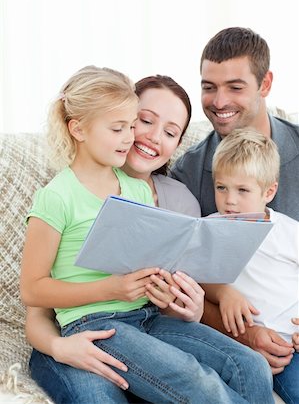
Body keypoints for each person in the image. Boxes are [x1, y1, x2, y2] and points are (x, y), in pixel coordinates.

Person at [20, 68, 274, 404]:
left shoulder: (138, 190)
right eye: (122, 127)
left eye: (130, 127)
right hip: (95, 322)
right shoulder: (57, 196)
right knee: (195, 380)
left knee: (251, 365)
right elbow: (32, 290)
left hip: (147, 317)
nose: (131, 138)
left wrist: (167, 288)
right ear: (78, 128)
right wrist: (111, 288)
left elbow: (148, 267)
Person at [170, 26, 299, 374]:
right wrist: (245, 334)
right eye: (209, 87)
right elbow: (178, 279)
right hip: (250, 340)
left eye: (235, 87)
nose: (220, 101)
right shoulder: (189, 172)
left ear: (266, 84)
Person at [202, 128, 298, 404]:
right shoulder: (208, 227)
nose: (229, 200)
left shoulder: (288, 232)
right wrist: (224, 293)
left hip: (292, 339)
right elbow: (195, 276)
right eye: (221, 187)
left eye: (242, 190)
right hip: (254, 347)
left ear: (269, 191)